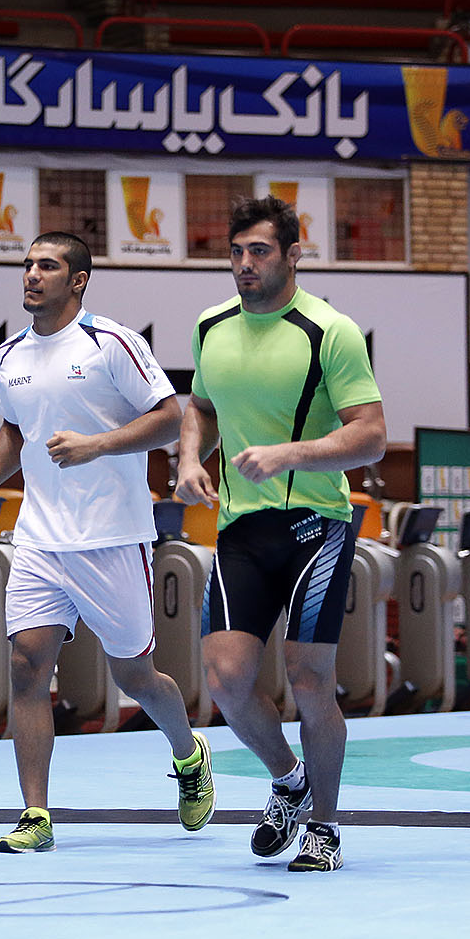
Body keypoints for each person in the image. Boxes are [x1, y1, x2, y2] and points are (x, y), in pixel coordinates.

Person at [0, 231, 214, 854]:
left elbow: (169, 416)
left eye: (47, 266)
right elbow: (15, 428)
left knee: (136, 675)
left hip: (113, 537)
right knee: (26, 668)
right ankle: (36, 815)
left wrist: (97, 444)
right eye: (27, 265)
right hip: (40, 539)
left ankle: (188, 754)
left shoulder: (111, 342)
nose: (31, 275)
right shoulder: (9, 353)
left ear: (78, 280)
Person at [173, 196, 385, 873]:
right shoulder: (210, 326)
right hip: (239, 529)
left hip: (315, 526)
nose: (245, 264)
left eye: (259, 251)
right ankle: (290, 781)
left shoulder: (331, 331)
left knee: (309, 678)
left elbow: (371, 436)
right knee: (227, 680)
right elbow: (200, 408)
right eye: (236, 252)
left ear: (293, 254)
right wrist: (188, 459)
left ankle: (325, 825)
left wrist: (288, 455)